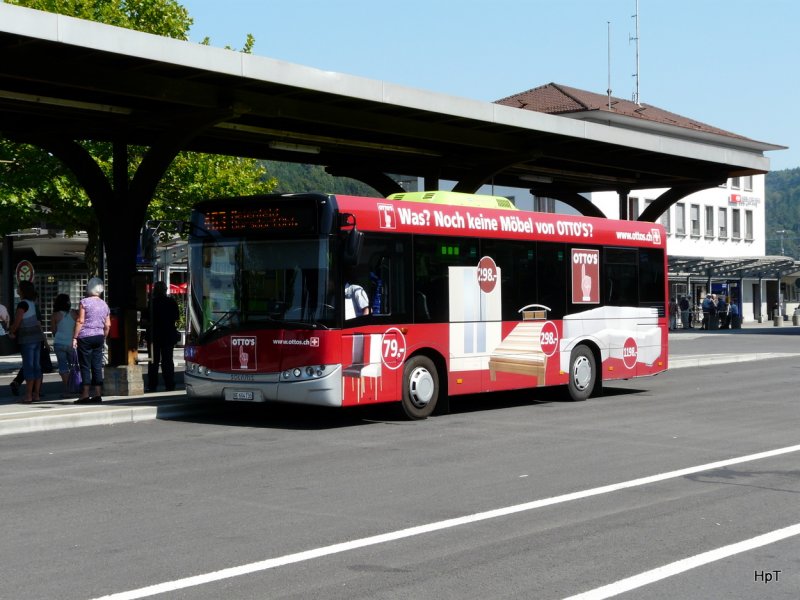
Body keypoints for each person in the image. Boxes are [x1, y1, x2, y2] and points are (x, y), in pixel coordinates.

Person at [72, 277, 111, 404]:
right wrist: (103, 336)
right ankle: (98, 394)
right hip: (99, 336)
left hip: (85, 336)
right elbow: (108, 325)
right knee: (97, 365)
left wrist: (75, 337)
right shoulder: (104, 304)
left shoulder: (84, 302)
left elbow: (80, 320)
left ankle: (85, 394)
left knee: (85, 365)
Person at [7, 280, 45, 404]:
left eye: (18, 288)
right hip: (37, 338)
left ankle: (28, 395)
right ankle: (36, 394)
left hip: (27, 339)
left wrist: (10, 331)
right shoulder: (32, 303)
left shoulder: (22, 304)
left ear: (22, 290)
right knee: (37, 366)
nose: (17, 289)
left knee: (29, 367)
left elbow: (17, 322)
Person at [143, 281, 180, 392]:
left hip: (154, 335)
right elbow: (176, 317)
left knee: (153, 361)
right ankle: (169, 384)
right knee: (167, 361)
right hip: (168, 335)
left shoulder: (151, 303)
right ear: (165, 290)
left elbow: (144, 321)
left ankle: (152, 384)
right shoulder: (171, 302)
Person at [51, 293, 78, 398]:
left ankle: (67, 390)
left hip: (59, 343)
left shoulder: (55, 315)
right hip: (71, 343)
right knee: (74, 366)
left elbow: (53, 331)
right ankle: (75, 387)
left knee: (63, 367)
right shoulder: (74, 314)